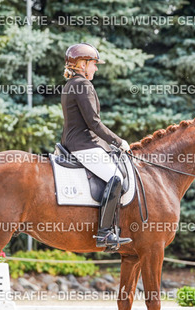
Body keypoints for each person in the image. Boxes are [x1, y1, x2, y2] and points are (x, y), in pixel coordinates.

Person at [61, 42, 132, 249]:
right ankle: (104, 233)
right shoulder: (83, 85)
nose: (96, 69)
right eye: (93, 64)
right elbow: (94, 123)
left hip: (75, 142)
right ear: (82, 64)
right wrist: (119, 142)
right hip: (84, 145)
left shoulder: (70, 84)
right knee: (116, 177)